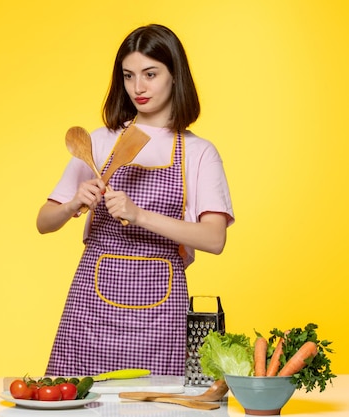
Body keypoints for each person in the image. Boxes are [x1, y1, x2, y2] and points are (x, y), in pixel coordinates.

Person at [37, 24, 234, 377]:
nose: (137, 88)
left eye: (150, 74)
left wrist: (138, 214)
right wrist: (71, 206)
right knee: (80, 403)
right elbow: (43, 222)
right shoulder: (98, 142)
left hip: (161, 315)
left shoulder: (199, 153)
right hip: (91, 313)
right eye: (128, 76)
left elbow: (214, 239)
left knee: (157, 406)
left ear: (175, 76)